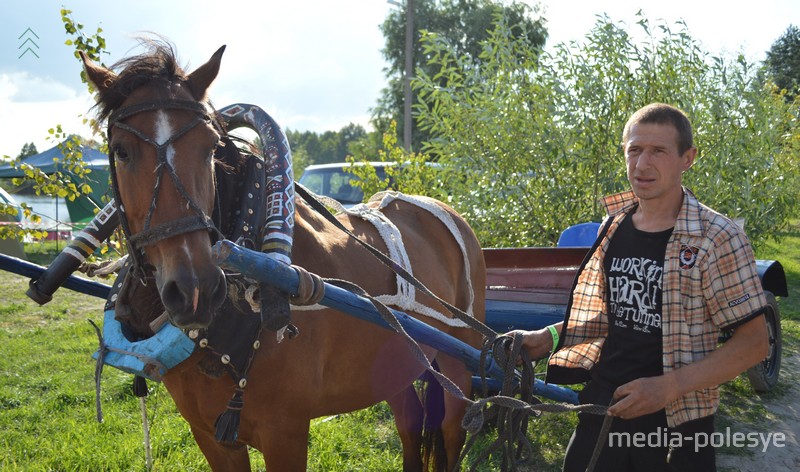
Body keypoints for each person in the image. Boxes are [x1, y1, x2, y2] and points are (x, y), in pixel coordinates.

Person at [511, 103, 769, 472]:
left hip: (679, 419)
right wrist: (548, 337)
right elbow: (612, 316)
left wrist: (667, 387)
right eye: (634, 150)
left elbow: (753, 342)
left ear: (688, 158)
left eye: (659, 151)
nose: (642, 164)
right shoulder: (613, 226)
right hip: (604, 405)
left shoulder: (717, 238)